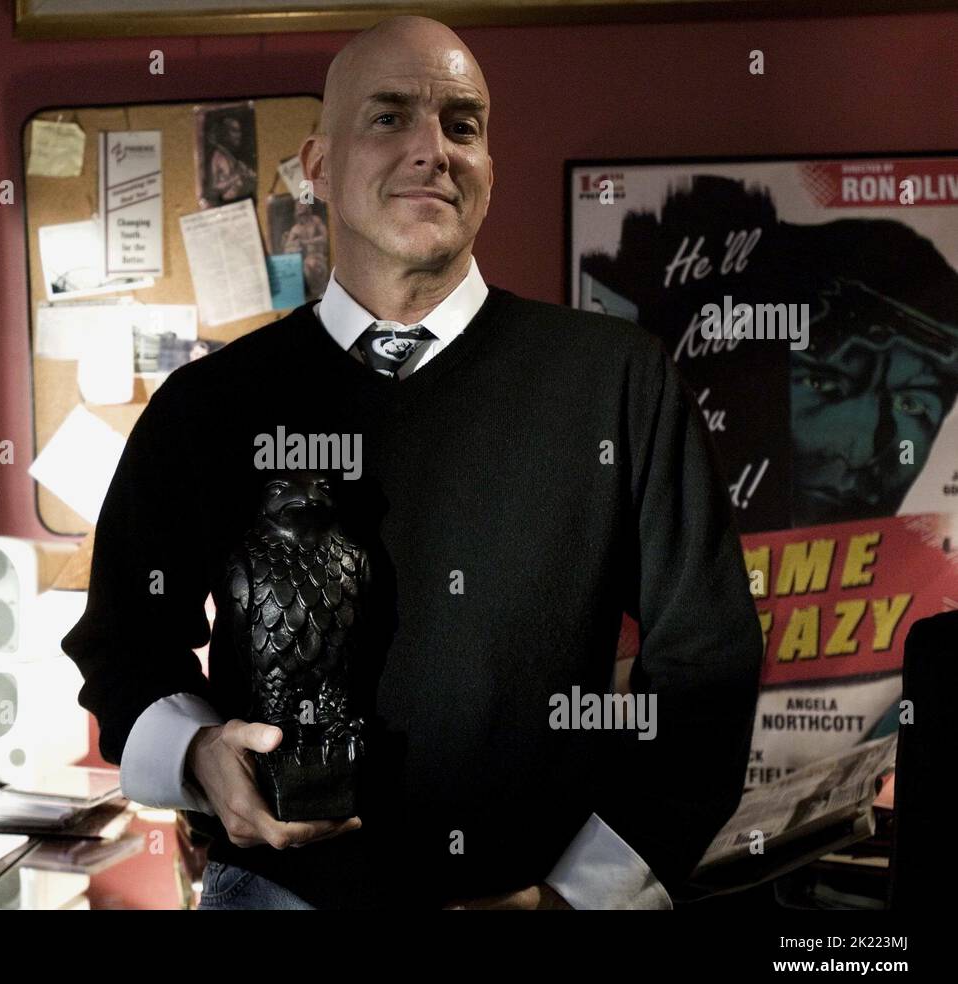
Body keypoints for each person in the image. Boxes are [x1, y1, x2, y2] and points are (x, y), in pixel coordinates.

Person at [62, 15, 762, 910]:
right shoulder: (209, 406)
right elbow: (124, 644)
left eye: (461, 124)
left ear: (489, 171)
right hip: (277, 893)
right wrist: (198, 758)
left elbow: (708, 666)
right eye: (389, 117)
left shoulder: (619, 384)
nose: (433, 149)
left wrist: (582, 898)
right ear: (318, 168)